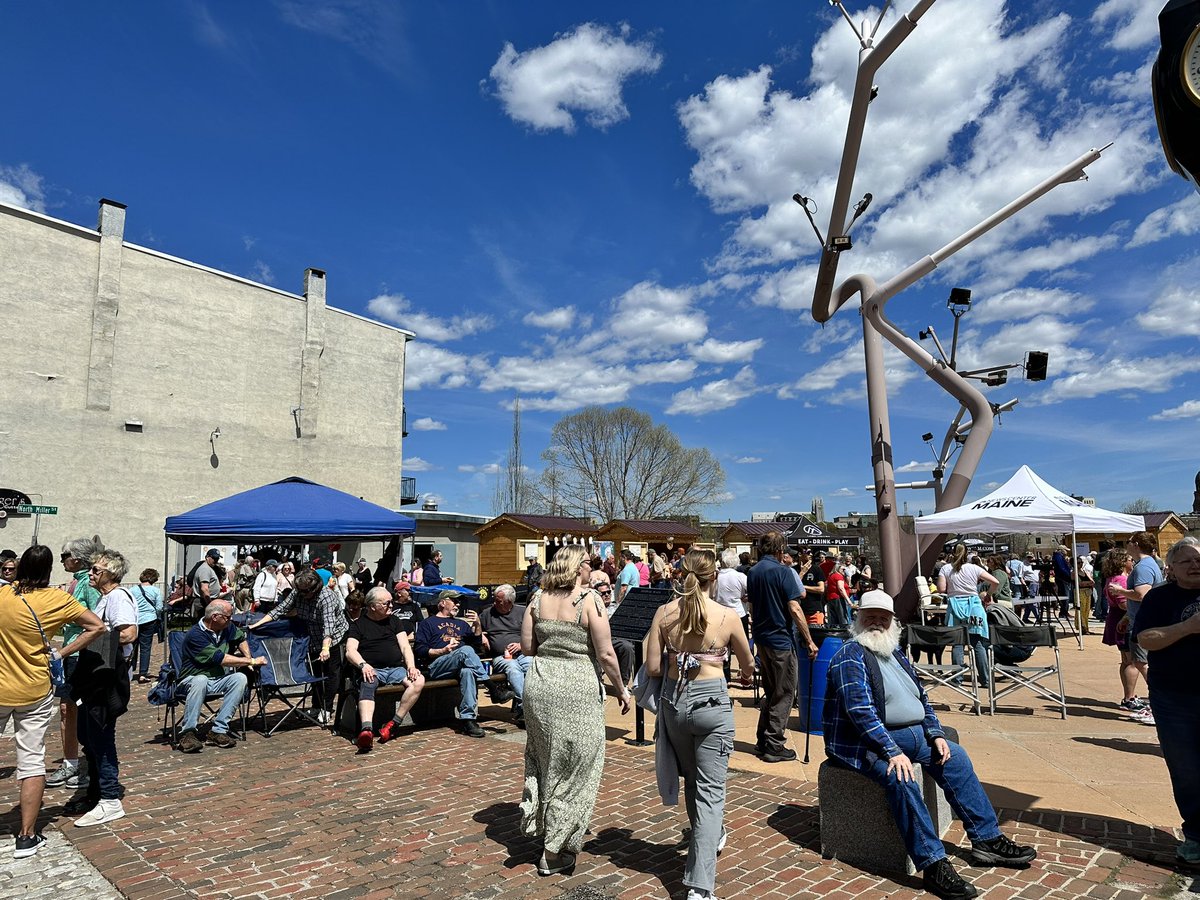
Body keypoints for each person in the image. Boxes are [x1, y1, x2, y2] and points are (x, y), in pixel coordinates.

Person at [824, 589, 1037, 898]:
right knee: (902, 777)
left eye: (883, 618)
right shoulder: (850, 655)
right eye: (869, 616)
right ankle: (933, 863)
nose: (876, 623)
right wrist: (891, 751)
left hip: (910, 735)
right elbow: (860, 712)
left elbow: (922, 697)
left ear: (892, 622)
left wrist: (935, 733)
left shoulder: (894, 652)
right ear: (857, 618)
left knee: (957, 757)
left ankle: (986, 840)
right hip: (865, 742)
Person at [646, 549, 755, 900]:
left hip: (675, 702)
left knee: (693, 780)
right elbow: (748, 664)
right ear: (714, 579)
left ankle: (711, 835)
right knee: (711, 791)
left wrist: (680, 658)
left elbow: (652, 668)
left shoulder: (664, 613)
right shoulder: (726, 615)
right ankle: (699, 885)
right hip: (712, 702)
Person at [519, 545, 631, 876]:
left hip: (540, 685)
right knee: (579, 765)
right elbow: (607, 653)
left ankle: (545, 828)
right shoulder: (588, 600)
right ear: (575, 567)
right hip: (576, 686)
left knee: (546, 759)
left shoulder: (537, 599)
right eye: (586, 562)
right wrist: (622, 690)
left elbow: (528, 647)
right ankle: (554, 849)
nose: (589, 568)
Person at [0, 545, 105, 859]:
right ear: (48, 571)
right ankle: (26, 836)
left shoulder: (4, 596)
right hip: (34, 687)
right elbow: (97, 626)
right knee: (32, 761)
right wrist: (62, 652)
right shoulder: (58, 599)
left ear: (18, 569)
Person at [1131, 539, 1200, 866]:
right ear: (1170, 567)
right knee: (1186, 769)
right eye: (1186, 561)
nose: (1195, 565)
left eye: (1198, 559)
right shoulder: (1160, 597)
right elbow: (1145, 639)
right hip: (1174, 697)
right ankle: (1197, 838)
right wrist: (1188, 627)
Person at [71, 549, 139, 827]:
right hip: (95, 674)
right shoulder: (105, 598)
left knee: (101, 736)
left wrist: (96, 638)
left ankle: (110, 799)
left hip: (106, 676)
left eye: (97, 570)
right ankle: (96, 792)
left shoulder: (118, 598)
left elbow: (129, 633)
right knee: (87, 735)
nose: (91, 573)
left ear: (111, 573)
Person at [748, 531, 818, 763]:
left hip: (762, 637)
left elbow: (753, 604)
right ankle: (774, 743)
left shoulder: (754, 571)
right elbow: (795, 608)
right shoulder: (783, 571)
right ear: (780, 550)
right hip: (780, 639)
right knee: (785, 691)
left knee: (772, 690)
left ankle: (763, 739)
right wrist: (809, 640)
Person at [249, 569, 348, 725]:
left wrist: (325, 648)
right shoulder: (298, 593)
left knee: (330, 673)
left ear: (313, 589)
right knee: (315, 671)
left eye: (304, 591)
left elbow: (328, 626)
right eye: (299, 591)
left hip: (332, 637)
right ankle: (316, 705)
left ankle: (327, 708)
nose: (301, 594)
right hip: (311, 635)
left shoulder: (327, 597)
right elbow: (280, 610)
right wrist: (257, 624)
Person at [46, 536, 106, 794]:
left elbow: (98, 623)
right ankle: (71, 761)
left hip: (82, 655)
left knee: (78, 710)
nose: (61, 561)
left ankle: (85, 762)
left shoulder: (89, 585)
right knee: (66, 709)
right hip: (72, 654)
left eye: (64, 556)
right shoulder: (75, 583)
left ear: (77, 558)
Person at [176, 600, 267, 753]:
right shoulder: (195, 635)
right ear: (215, 617)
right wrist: (250, 661)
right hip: (190, 681)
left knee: (240, 678)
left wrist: (247, 658)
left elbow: (241, 638)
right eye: (228, 617)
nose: (231, 620)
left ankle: (218, 730)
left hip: (216, 680)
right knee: (201, 679)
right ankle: (188, 734)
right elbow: (221, 659)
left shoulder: (226, 627)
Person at [346, 587, 426, 751]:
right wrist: (363, 665)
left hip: (396, 668)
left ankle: (393, 724)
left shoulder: (394, 621)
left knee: (419, 680)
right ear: (373, 606)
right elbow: (350, 651)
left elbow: (405, 647)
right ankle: (366, 730)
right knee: (368, 682)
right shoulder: (358, 625)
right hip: (373, 670)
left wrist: (411, 667)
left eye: (391, 602)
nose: (392, 605)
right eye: (387, 603)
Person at [413, 594, 494, 738]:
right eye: (454, 601)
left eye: (459, 602)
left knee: (468, 671)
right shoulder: (428, 623)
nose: (457, 605)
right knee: (465, 651)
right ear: (443, 603)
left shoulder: (461, 624)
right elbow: (419, 649)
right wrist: (443, 651)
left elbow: (476, 645)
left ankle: (468, 720)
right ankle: (492, 687)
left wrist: (477, 624)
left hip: (459, 664)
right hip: (436, 666)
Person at [1109, 531, 1163, 722]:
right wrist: (1126, 618)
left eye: (1129, 541)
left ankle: (1160, 701)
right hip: (1138, 620)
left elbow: (1142, 594)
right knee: (1139, 662)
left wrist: (1120, 590)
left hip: (1143, 623)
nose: (1127, 544)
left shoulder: (1143, 567)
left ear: (1137, 544)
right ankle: (1158, 701)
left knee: (1141, 662)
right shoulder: (1147, 565)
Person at [937, 544, 998, 689]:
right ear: (967, 554)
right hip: (974, 607)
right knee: (977, 644)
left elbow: (941, 589)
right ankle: (985, 680)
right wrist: (988, 595)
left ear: (952, 553)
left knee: (957, 644)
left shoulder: (945, 569)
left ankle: (957, 678)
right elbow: (995, 582)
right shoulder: (975, 568)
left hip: (955, 606)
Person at [480, 584, 531, 727]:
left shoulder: (523, 612)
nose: (495, 603)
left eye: (499, 601)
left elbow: (534, 634)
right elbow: (475, 630)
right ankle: (525, 709)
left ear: (509, 602)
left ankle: (528, 709)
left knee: (531, 668)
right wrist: (481, 635)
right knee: (513, 669)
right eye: (495, 599)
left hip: (523, 652)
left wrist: (521, 645)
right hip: (501, 656)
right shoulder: (487, 613)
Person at [589, 569, 635, 684]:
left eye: (608, 592)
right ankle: (598, 680)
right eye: (603, 593)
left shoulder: (617, 607)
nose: (607, 595)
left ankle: (623, 683)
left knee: (627, 647)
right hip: (599, 640)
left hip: (616, 638)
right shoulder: (592, 609)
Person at [715, 549, 751, 685]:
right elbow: (752, 591)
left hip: (721, 614)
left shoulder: (716, 576)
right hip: (739, 613)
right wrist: (745, 598)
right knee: (743, 646)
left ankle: (725, 675)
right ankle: (745, 674)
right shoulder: (740, 576)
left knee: (723, 646)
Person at [130, 568, 164, 684]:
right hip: (149, 619)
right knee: (145, 647)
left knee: (132, 646)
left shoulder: (133, 590)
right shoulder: (155, 590)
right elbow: (159, 607)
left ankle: (129, 671)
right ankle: (143, 674)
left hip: (135, 620)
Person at [191, 548, 230, 617]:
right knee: (204, 625)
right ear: (207, 557)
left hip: (206, 601)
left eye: (217, 558)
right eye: (214, 558)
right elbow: (204, 589)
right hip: (204, 602)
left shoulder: (208, 568)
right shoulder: (205, 569)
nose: (216, 560)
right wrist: (210, 605)